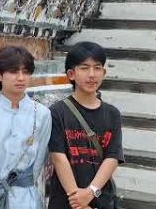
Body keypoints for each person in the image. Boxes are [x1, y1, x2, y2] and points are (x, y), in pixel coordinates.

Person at [0, 46, 52, 209]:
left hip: (25, 197)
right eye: (14, 72)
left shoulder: (42, 114)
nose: (21, 78)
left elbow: (39, 161)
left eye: (25, 72)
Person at [48, 41, 124, 209]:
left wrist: (90, 192)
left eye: (97, 68)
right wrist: (78, 202)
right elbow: (58, 158)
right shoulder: (57, 112)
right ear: (71, 74)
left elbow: (112, 157)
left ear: (104, 72)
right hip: (66, 200)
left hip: (100, 199)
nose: (92, 74)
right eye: (84, 68)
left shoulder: (112, 114)